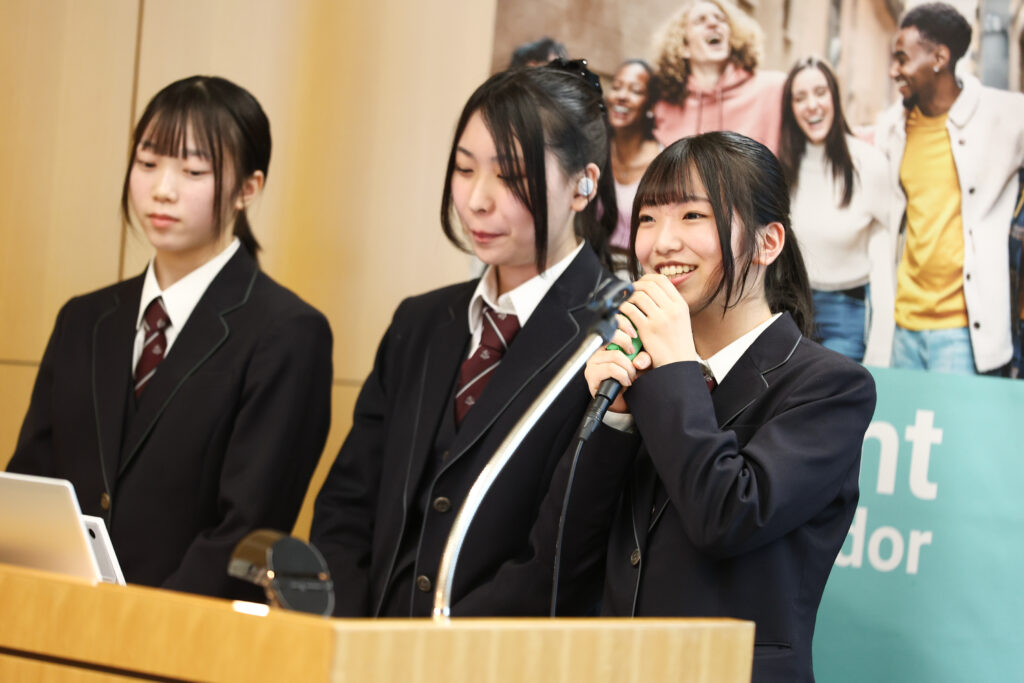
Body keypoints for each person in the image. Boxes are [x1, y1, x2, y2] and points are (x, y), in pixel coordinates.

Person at [551, 132, 876, 683]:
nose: (661, 243)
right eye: (648, 219)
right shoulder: (644, 376)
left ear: (767, 243)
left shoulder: (831, 387)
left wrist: (676, 368)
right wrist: (617, 418)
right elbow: (566, 554)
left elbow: (727, 517)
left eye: (693, 216)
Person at [7, 75, 333, 600]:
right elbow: (32, 490)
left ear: (248, 188)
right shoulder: (83, 320)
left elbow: (248, 527)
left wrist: (140, 622)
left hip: (186, 629)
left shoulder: (287, 333)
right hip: (57, 622)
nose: (162, 189)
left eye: (193, 171)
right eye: (147, 163)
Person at [310, 61, 617, 618]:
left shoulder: (614, 336)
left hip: (498, 653)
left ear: (583, 185)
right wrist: (356, 636)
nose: (477, 199)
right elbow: (347, 505)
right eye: (464, 168)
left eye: (509, 175)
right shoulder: (419, 323)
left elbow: (566, 557)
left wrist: (443, 653)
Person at [877, 2, 1024, 374]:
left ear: (940, 58)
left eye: (902, 59)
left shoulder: (1004, 116)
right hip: (903, 324)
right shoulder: (893, 128)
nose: (894, 71)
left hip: (964, 332)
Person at [779, 57, 895, 365]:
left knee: (833, 394)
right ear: (790, 109)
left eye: (820, 92)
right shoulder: (780, 168)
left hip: (847, 311)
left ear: (835, 98)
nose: (812, 105)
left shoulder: (868, 164)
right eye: (800, 98)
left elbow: (896, 246)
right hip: (789, 309)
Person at [650, 0, 785, 153]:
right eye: (700, 20)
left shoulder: (773, 88)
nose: (713, 23)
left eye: (721, 19)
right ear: (684, 47)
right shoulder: (664, 104)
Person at [606, 59, 662, 254]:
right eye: (616, 87)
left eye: (636, 91)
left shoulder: (662, 163)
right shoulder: (594, 151)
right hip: (594, 260)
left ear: (651, 105)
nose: (622, 96)